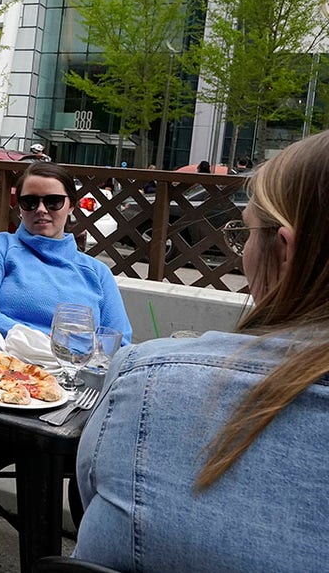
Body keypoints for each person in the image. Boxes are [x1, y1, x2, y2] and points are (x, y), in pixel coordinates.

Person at [74, 131, 329, 572]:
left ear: (283, 250)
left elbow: (117, 330)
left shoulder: (144, 373)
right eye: (29, 202)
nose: (42, 211)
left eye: (244, 233)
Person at [0, 162, 132, 344]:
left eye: (53, 201)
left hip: (78, 368)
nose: (41, 209)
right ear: (20, 207)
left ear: (71, 205)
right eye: (30, 202)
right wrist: (43, 343)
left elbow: (119, 342)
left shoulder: (98, 272)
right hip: (2, 364)